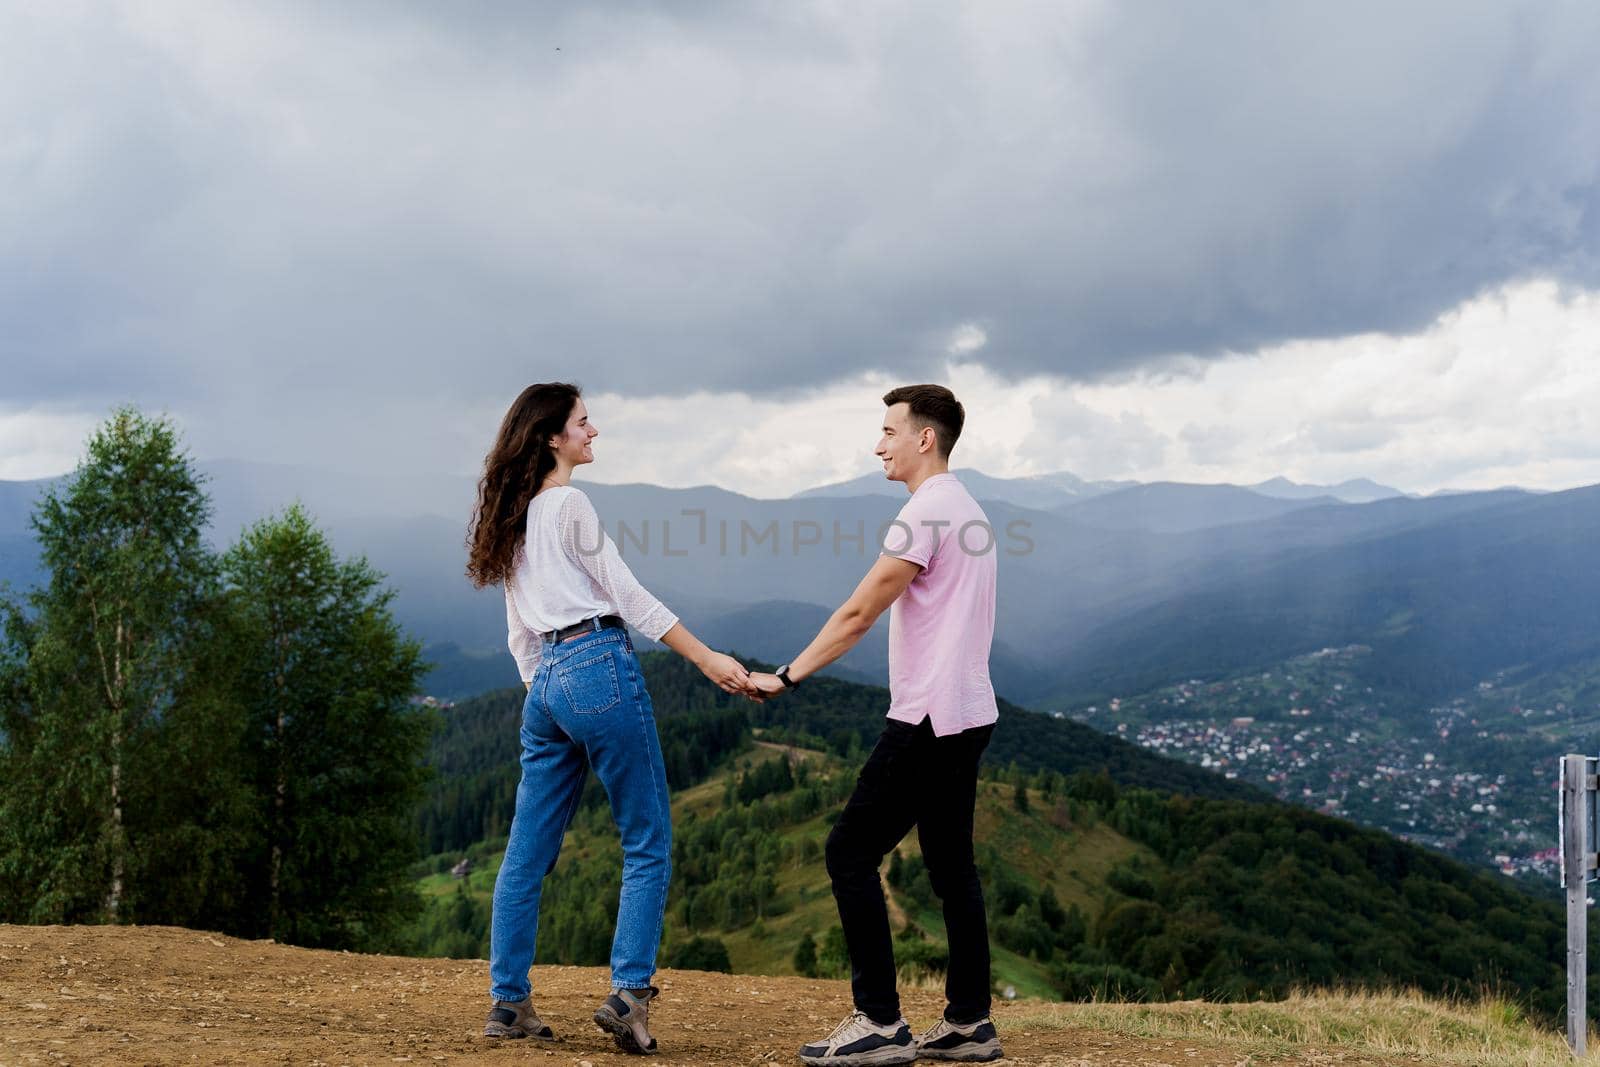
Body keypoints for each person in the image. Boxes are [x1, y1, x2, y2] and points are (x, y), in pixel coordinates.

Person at [465, 381, 751, 1055]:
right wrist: (707, 658)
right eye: (583, 423)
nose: (594, 432)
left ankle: (507, 1003)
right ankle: (629, 996)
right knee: (647, 836)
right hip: (597, 662)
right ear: (551, 437)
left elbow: (518, 633)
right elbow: (629, 596)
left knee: (526, 850)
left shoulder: (514, 515)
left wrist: (548, 696)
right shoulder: (568, 504)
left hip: (548, 683)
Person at [748, 384, 1003, 1065]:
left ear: (926, 438)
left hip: (925, 714)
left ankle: (882, 1022)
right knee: (952, 869)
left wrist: (788, 674)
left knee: (849, 851)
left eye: (889, 430)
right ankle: (969, 1021)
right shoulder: (967, 509)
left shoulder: (923, 514)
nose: (878, 443)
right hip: (970, 711)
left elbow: (859, 614)